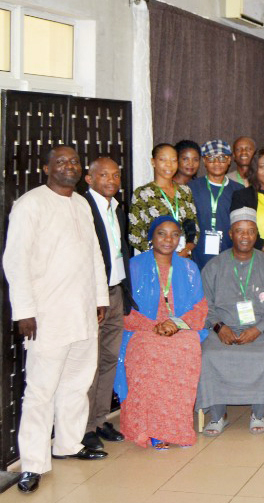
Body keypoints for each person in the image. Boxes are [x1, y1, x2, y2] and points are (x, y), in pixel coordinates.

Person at [4, 146, 110, 493]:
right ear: (46, 167)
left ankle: (68, 444)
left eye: (74, 162)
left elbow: (94, 255)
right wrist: (23, 312)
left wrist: (99, 298)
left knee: (77, 383)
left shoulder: (81, 203)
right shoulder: (29, 205)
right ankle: (33, 462)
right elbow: (15, 261)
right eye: (61, 162)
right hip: (46, 316)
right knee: (40, 391)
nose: (69, 167)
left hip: (82, 313)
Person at [116, 216, 208, 448]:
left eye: (174, 234)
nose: (168, 239)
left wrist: (175, 324)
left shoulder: (189, 267)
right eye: (162, 233)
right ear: (151, 237)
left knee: (187, 348)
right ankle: (151, 429)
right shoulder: (133, 266)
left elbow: (200, 307)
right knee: (149, 351)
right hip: (142, 329)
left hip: (179, 328)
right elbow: (123, 307)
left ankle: (176, 428)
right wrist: (153, 326)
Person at [197, 208, 264, 436]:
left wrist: (257, 329)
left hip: (262, 329)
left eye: (250, 231)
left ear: (256, 235)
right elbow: (202, 305)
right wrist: (219, 327)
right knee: (209, 356)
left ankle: (258, 413)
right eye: (240, 231)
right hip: (222, 328)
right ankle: (219, 415)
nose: (245, 236)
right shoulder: (214, 266)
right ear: (230, 234)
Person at [80, 157, 133, 451]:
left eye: (116, 175)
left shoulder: (117, 208)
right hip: (92, 298)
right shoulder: (83, 208)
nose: (111, 180)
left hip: (115, 293)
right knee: (90, 364)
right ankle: (83, 426)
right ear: (89, 179)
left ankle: (99, 420)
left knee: (109, 360)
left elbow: (119, 250)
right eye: (104, 175)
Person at [129, 144, 198, 255]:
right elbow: (134, 235)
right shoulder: (143, 193)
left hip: (183, 259)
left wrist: (185, 251)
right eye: (163, 160)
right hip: (154, 261)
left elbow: (194, 229)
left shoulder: (185, 191)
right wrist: (161, 255)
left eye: (173, 160)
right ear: (153, 162)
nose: (169, 165)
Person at [189, 140, 243, 268]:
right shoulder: (191, 187)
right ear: (204, 161)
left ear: (229, 160)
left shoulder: (239, 190)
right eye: (211, 158)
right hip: (197, 253)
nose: (217, 162)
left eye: (222, 158)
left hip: (229, 254)